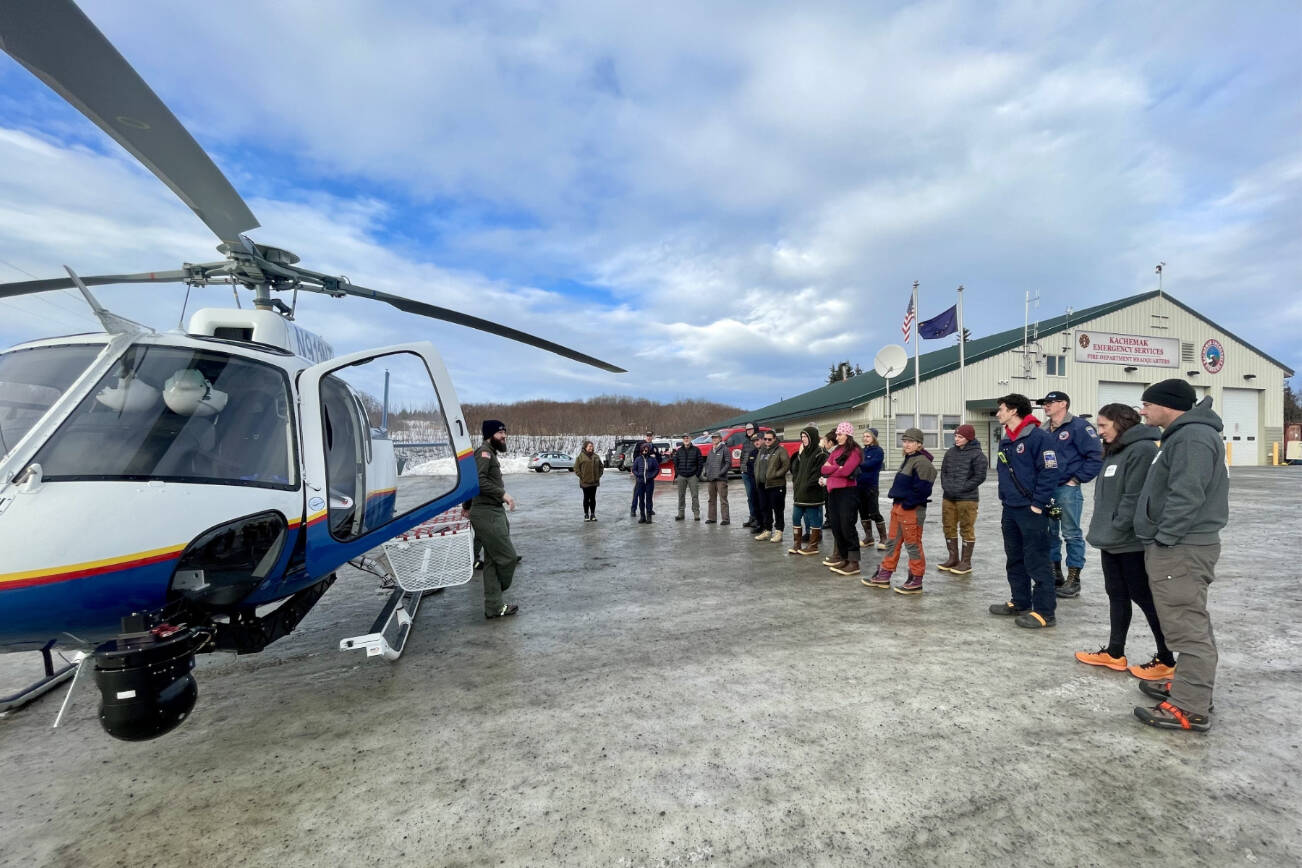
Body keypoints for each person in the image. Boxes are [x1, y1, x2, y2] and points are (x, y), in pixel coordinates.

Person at [1131, 379, 1229, 733]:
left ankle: (1191, 706)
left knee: (1188, 627)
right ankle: (1190, 686)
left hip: (1182, 547)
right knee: (1188, 621)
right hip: (1181, 545)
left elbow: (1188, 494)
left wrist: (1166, 538)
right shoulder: (1182, 436)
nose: (1142, 411)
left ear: (1167, 405)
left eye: (1146, 404)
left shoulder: (1192, 437)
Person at [1073, 404, 1175, 680]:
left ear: (1120, 423)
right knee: (1116, 594)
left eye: (1104, 425)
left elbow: (1135, 497)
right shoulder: (1115, 450)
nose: (1100, 431)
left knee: (1144, 597)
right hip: (1111, 538)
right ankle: (1115, 653)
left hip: (1130, 541)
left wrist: (1117, 526)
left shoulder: (1142, 450)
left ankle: (1167, 658)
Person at [988, 393, 1060, 628]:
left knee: (1037, 559)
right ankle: (1021, 602)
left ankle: (1044, 612)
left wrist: (1038, 504)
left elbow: (1049, 472)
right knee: (1015, 557)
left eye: (1001, 409)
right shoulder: (1006, 439)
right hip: (1010, 507)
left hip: (1032, 509)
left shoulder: (1039, 437)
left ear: (1014, 411)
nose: (998, 413)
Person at [1037, 391, 1103, 598]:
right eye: (1044, 403)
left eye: (1050, 403)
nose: (1046, 406)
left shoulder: (1079, 427)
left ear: (1063, 404)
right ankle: (1055, 573)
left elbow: (1095, 456)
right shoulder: (1044, 429)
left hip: (1067, 489)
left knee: (1071, 533)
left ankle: (1073, 579)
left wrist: (1077, 479)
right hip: (1047, 488)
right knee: (1049, 532)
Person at [866, 427, 936, 594]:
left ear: (919, 444)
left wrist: (908, 504)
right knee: (892, 542)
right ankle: (885, 574)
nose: (906, 444)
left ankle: (916, 578)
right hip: (899, 507)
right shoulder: (909, 459)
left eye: (910, 442)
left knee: (913, 544)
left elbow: (924, 489)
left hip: (911, 509)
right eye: (904, 441)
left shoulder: (922, 462)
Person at [465, 420, 519, 619]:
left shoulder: (489, 453)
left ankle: (494, 607)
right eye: (500, 433)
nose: (504, 436)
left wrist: (467, 506)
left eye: (505, 431)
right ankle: (499, 593)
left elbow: (474, 481)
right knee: (507, 557)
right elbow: (478, 481)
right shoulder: (484, 453)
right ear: (490, 435)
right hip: (488, 513)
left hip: (492, 511)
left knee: (492, 562)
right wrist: (503, 494)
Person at [937, 423, 988, 575]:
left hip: (967, 498)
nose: (956, 439)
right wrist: (946, 486)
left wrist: (963, 487)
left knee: (966, 528)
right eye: (956, 436)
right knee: (948, 526)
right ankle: (953, 558)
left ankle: (966, 562)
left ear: (969, 438)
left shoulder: (978, 455)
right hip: (949, 497)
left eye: (960, 437)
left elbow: (980, 476)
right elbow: (943, 471)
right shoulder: (950, 452)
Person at [820, 422, 862, 575]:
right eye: (837, 434)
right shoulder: (836, 450)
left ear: (848, 435)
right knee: (836, 527)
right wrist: (838, 468)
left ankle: (854, 562)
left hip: (847, 492)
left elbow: (848, 471)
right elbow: (823, 468)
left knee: (847, 526)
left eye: (839, 434)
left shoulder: (855, 451)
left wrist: (833, 471)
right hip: (833, 492)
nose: (837, 437)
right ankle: (844, 558)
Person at [788, 425, 827, 555]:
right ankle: (797, 544)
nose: (803, 439)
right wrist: (796, 484)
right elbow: (796, 471)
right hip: (799, 494)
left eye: (805, 437)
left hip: (812, 495)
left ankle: (813, 545)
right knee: (795, 518)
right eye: (802, 437)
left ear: (813, 438)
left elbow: (818, 474)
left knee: (814, 520)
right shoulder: (803, 453)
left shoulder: (820, 453)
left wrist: (806, 486)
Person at [752, 430, 790, 542]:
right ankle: (767, 530)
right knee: (765, 508)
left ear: (774, 439)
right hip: (763, 485)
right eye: (765, 439)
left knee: (778, 509)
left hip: (776, 485)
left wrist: (775, 475)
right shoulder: (762, 450)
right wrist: (757, 476)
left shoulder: (780, 450)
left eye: (769, 439)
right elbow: (756, 464)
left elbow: (786, 465)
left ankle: (779, 532)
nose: (767, 441)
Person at [856, 427, 888, 551]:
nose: (865, 438)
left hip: (871, 487)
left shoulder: (878, 451)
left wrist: (857, 463)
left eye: (868, 436)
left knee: (874, 512)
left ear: (874, 437)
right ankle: (869, 538)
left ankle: (884, 538)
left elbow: (869, 465)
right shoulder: (861, 451)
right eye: (864, 436)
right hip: (859, 486)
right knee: (863, 512)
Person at [671, 433, 704, 521]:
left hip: (693, 476)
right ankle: (681, 514)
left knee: (695, 496)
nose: (686, 439)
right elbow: (675, 463)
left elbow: (700, 463)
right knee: (681, 495)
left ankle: (696, 514)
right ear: (683, 440)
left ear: (690, 439)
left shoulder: (696, 450)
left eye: (687, 438)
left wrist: (697, 475)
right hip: (681, 476)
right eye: (684, 438)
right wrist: (678, 473)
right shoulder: (679, 450)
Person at [702, 431, 732, 525]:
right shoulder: (711, 450)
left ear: (720, 439)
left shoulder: (725, 449)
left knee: (723, 500)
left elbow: (728, 463)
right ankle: (712, 518)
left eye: (716, 438)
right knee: (711, 499)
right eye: (713, 438)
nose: (714, 439)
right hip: (711, 479)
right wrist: (706, 472)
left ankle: (725, 519)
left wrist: (721, 473)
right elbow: (707, 463)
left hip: (721, 479)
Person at [574, 440, 604, 521]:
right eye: (589, 446)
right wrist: (582, 476)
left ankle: (593, 514)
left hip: (594, 482)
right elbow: (576, 468)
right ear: (585, 447)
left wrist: (599, 475)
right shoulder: (580, 457)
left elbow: (601, 467)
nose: (591, 447)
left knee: (593, 498)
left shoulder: (596, 456)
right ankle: (586, 515)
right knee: (586, 498)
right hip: (585, 482)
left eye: (592, 446)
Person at [631, 441, 660, 523]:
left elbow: (657, 469)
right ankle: (642, 516)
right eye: (644, 450)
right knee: (641, 500)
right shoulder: (638, 459)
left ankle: (649, 516)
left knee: (649, 499)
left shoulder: (652, 459)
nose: (645, 451)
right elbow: (634, 469)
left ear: (649, 450)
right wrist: (638, 475)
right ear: (641, 450)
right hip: (640, 482)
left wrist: (651, 476)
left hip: (649, 482)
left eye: (646, 450)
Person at [739, 423, 761, 528]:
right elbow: (742, 456)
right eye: (747, 429)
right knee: (750, 497)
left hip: (756, 473)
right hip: (746, 473)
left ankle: (759, 519)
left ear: (755, 429)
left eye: (750, 429)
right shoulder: (746, 442)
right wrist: (742, 469)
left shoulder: (759, 440)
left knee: (757, 496)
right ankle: (752, 517)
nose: (748, 431)